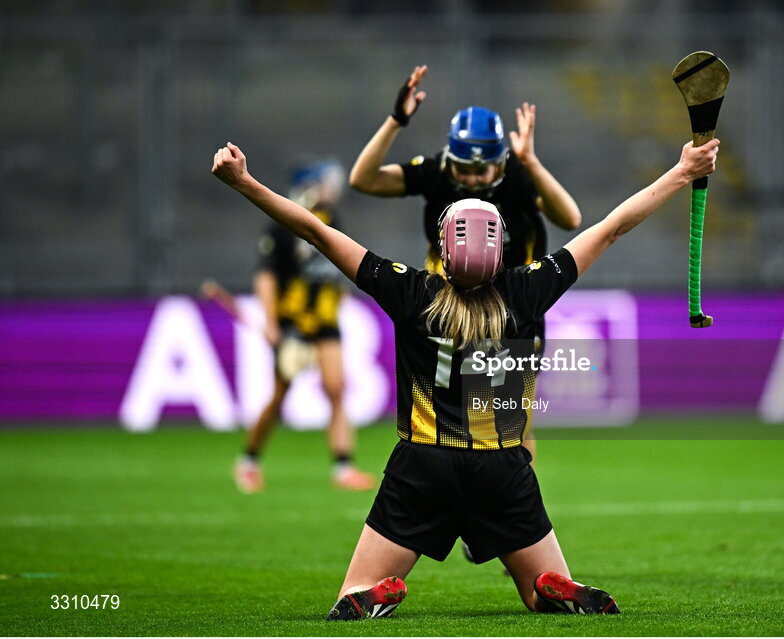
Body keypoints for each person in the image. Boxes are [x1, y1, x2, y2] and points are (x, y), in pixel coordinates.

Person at [211, 134, 719, 619]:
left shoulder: (411, 292)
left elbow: (316, 231)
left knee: (353, 591)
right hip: (503, 469)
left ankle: (376, 592)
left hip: (422, 467)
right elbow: (610, 227)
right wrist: (682, 171)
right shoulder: (526, 292)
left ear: (444, 247)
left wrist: (244, 183)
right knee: (536, 594)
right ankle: (548, 584)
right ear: (500, 247)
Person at [349, 65, 581, 469]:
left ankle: (512, 501)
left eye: (482, 170)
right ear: (450, 159)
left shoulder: (518, 177)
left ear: (501, 162)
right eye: (464, 169)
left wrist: (531, 162)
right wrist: (396, 121)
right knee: (442, 423)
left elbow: (570, 218)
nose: (473, 179)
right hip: (449, 310)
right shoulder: (436, 173)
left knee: (512, 425)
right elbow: (363, 180)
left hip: (512, 313)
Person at [233, 159, 375, 493]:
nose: (331, 190)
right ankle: (249, 460)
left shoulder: (332, 220)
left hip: (325, 322)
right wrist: (271, 323)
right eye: (324, 184)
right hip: (293, 324)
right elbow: (266, 276)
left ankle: (343, 466)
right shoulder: (282, 225)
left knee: (336, 389)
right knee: (279, 399)